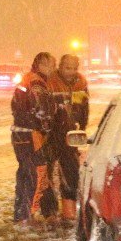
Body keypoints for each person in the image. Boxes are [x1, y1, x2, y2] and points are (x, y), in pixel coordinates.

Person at [11, 52, 56, 225]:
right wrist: (46, 128)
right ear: (42, 65)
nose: (53, 68)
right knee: (35, 174)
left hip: (20, 133)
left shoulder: (27, 79)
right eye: (51, 64)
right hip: (31, 135)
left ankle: (21, 213)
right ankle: (26, 215)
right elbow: (42, 111)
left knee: (24, 173)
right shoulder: (37, 83)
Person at [45, 54, 89, 223]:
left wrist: (81, 127)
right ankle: (49, 212)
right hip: (51, 134)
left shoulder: (81, 83)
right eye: (67, 68)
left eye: (74, 68)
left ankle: (69, 212)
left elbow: (83, 107)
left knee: (71, 173)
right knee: (47, 173)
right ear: (60, 67)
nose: (71, 72)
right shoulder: (51, 81)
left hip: (70, 135)